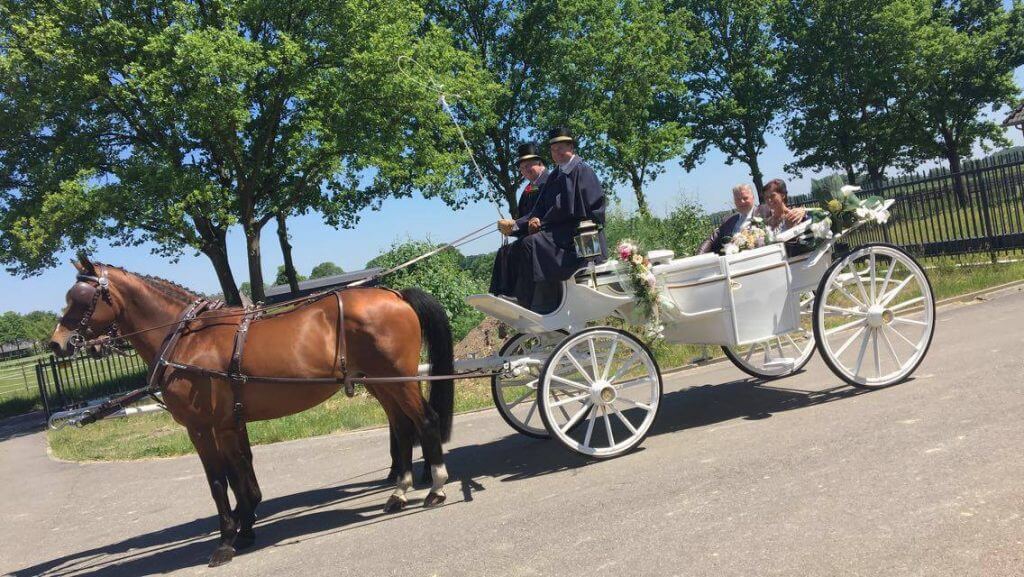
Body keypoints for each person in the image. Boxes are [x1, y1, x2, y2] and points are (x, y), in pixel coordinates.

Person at [497, 127, 607, 313]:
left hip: (581, 236)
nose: (557, 153)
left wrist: (543, 222)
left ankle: (543, 303)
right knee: (515, 247)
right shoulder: (555, 175)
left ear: (571, 147)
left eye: (561, 148)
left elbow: (595, 210)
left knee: (531, 243)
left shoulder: (582, 170)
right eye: (553, 150)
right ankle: (516, 295)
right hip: (559, 232)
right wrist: (517, 224)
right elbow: (540, 208)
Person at [489, 143, 550, 297]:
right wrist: (509, 229)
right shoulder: (528, 190)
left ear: (540, 163)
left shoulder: (550, 183)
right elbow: (522, 217)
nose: (525, 170)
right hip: (531, 234)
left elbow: (542, 211)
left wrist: (515, 225)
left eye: (529, 165)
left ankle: (523, 295)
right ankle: (502, 294)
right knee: (504, 251)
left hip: (549, 233)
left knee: (521, 248)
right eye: (522, 168)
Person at [697, 182, 805, 254]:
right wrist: (698, 257)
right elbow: (711, 239)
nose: (741, 202)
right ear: (734, 201)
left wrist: (802, 211)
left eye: (745, 198)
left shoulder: (765, 210)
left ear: (753, 197)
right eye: (738, 199)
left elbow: (782, 211)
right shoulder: (729, 221)